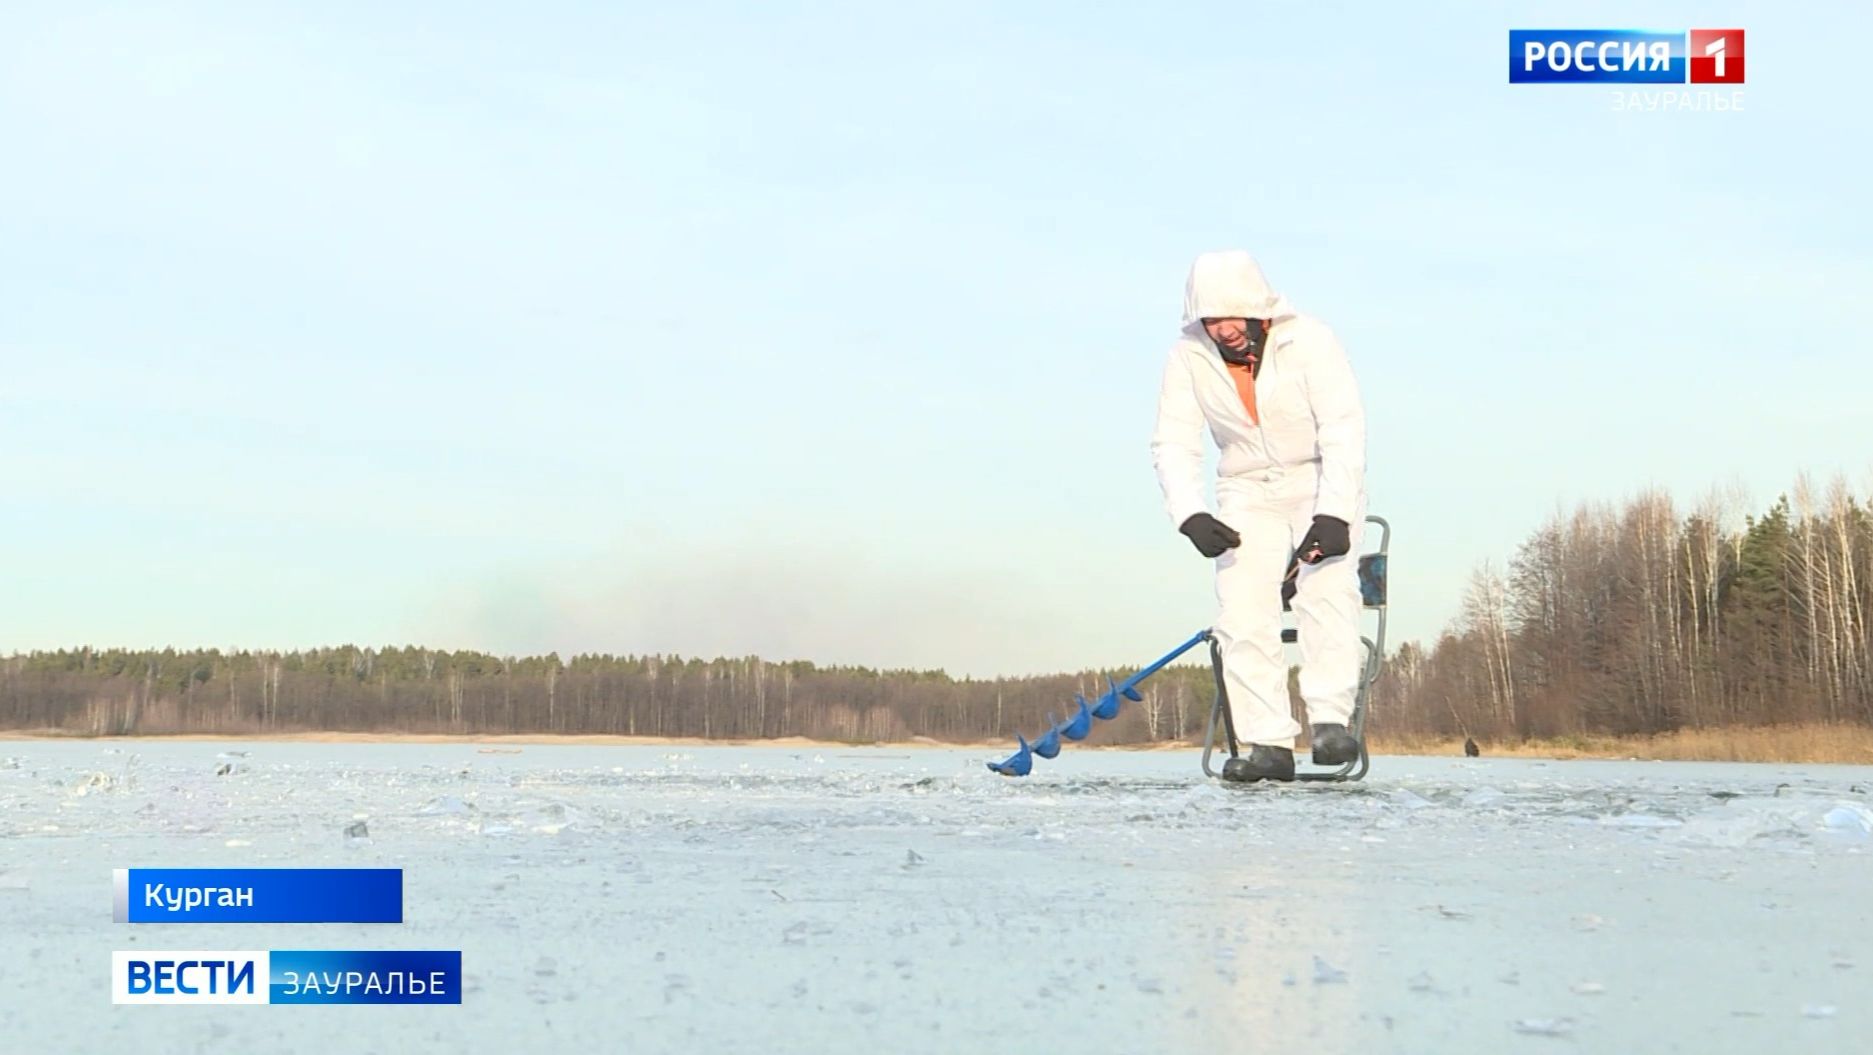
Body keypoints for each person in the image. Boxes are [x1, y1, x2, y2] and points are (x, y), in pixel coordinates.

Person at [1151, 250, 1368, 782]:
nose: (1222, 329)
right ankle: (1268, 741)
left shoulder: (1310, 340)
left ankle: (1330, 722)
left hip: (1316, 477)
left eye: (1230, 316)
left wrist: (1334, 513)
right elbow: (1174, 440)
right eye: (1210, 319)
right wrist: (1190, 513)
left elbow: (1343, 428)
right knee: (1243, 609)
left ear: (1256, 308)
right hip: (1245, 486)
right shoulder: (1188, 357)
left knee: (1325, 591)